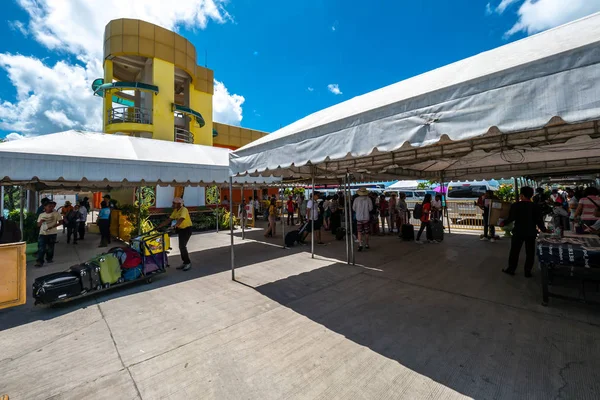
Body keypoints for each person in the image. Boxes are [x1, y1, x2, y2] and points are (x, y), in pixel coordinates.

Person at [500, 186, 546, 277]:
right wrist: (544, 229)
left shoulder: (516, 205)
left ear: (521, 195)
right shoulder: (535, 206)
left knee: (514, 251)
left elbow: (511, 218)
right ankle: (527, 272)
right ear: (531, 195)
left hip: (518, 232)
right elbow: (539, 220)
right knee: (530, 252)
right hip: (531, 232)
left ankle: (511, 269)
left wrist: (503, 223)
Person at [158, 197, 193, 271]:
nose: (173, 204)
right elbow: (169, 220)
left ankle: (187, 263)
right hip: (181, 229)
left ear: (179, 204)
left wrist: (175, 226)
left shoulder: (184, 209)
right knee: (181, 246)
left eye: (174, 203)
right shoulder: (175, 211)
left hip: (187, 229)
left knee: (182, 246)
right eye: (173, 203)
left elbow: (181, 219)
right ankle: (184, 262)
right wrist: (159, 226)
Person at [35, 201, 62, 267]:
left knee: (50, 248)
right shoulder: (41, 215)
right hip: (42, 233)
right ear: (45, 207)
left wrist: (52, 227)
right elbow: (38, 225)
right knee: (41, 248)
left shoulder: (56, 214)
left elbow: (61, 222)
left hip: (52, 233)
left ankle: (49, 258)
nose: (51, 208)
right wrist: (41, 222)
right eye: (49, 206)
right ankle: (39, 261)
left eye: (52, 206)